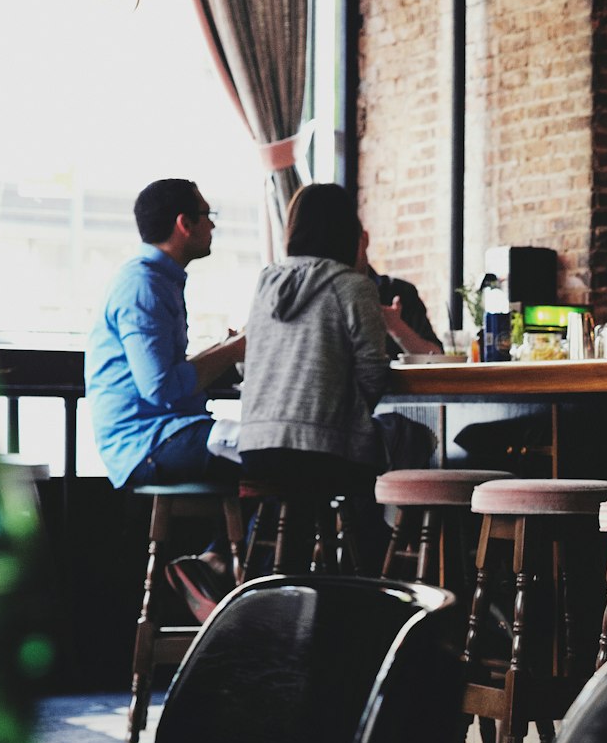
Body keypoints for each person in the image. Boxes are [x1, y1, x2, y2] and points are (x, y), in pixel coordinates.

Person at [237, 183, 431, 574]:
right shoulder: (353, 286)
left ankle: (286, 588)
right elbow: (373, 375)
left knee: (330, 472)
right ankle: (376, 574)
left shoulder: (266, 282)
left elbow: (246, 364)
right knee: (414, 437)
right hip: (322, 453)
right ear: (348, 230)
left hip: (256, 450)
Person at [86, 178, 247, 617]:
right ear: (184, 224)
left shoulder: (157, 279)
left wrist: (222, 350)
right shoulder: (144, 286)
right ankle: (226, 576)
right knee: (272, 451)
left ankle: (215, 565)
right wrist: (232, 352)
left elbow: (165, 376)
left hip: (161, 432)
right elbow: (159, 387)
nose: (213, 226)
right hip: (147, 441)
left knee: (271, 449)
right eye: (207, 216)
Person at [358, 232, 443, 358]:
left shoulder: (400, 292)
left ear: (364, 238)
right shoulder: (326, 295)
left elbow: (436, 357)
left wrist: (395, 326)